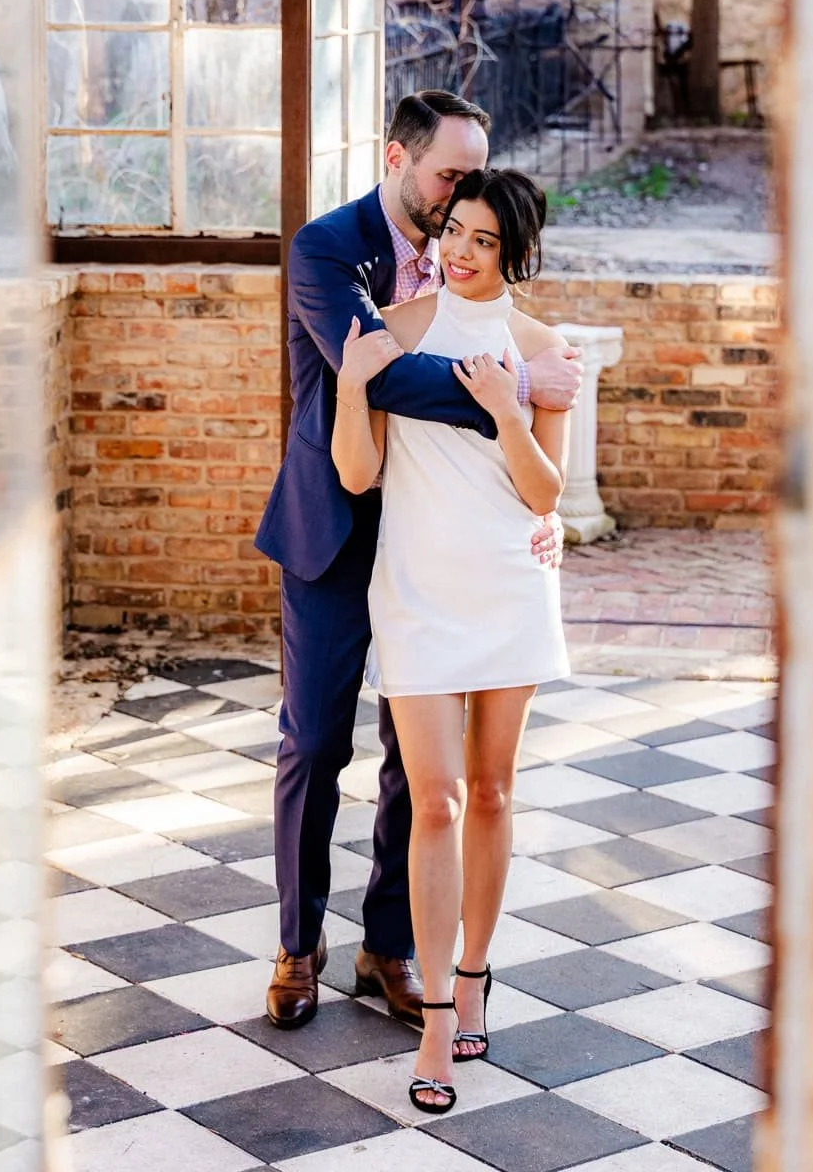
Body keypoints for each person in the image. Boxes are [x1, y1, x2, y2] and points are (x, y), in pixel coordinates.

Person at [254, 91, 582, 1032]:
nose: (455, 200)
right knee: (314, 743)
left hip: (434, 550)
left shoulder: (467, 269)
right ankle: (295, 942)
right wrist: (521, 382)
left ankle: (392, 944)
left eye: (470, 184)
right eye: (446, 176)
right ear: (397, 157)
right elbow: (385, 374)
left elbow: (530, 467)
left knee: (419, 766)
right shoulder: (327, 247)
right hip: (334, 529)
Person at [330, 167, 570, 1115]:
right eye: (453, 234)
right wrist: (355, 387)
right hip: (418, 586)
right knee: (433, 803)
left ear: (515, 251)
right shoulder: (400, 327)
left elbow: (545, 493)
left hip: (508, 584)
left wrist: (511, 410)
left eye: (482, 240)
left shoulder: (544, 348)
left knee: (495, 791)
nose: (460, 254)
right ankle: (433, 1016)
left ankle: (474, 974)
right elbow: (359, 475)